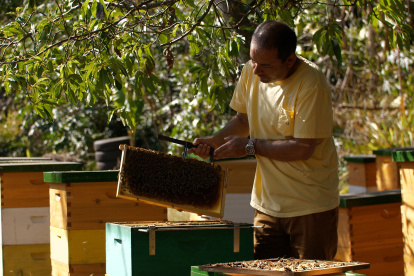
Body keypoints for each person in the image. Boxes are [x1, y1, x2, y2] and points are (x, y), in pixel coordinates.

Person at [188, 20, 340, 261]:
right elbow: (243, 120)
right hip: (267, 206)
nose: (256, 70)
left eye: (265, 65)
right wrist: (214, 141)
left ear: (289, 60)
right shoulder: (252, 69)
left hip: (310, 206)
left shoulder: (311, 82)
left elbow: (303, 148)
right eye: (253, 61)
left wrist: (249, 147)